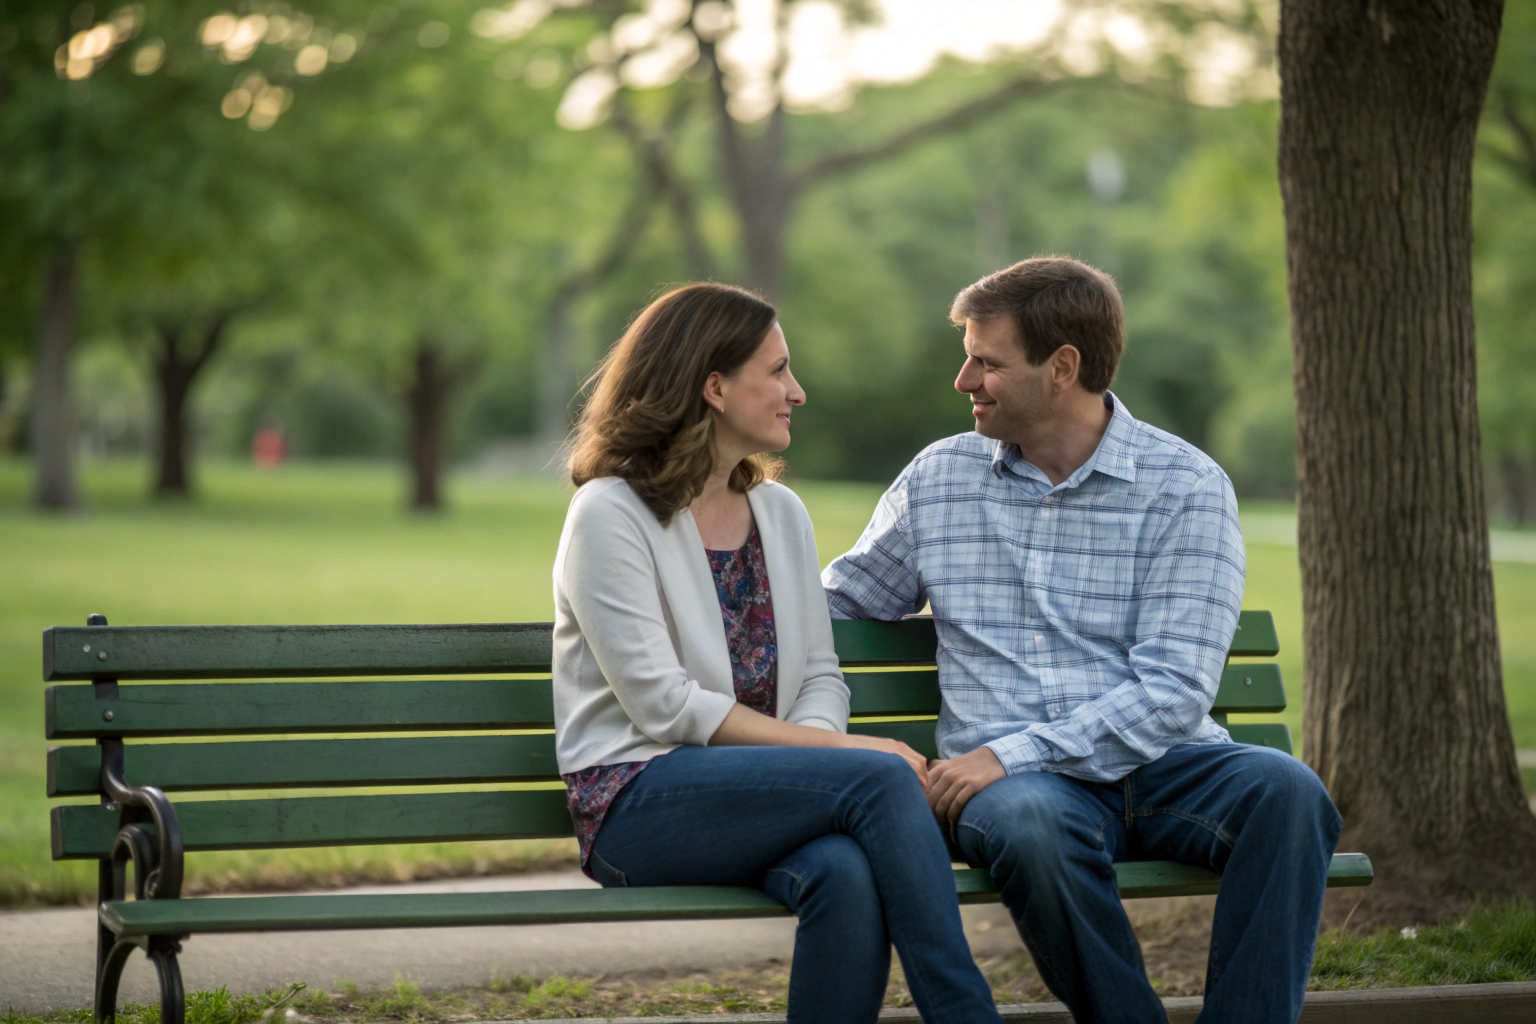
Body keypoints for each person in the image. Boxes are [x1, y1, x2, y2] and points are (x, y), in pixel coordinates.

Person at [823, 257, 1342, 1024]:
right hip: (1023, 796)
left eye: (987, 362)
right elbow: (836, 607)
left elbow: (1174, 692)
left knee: (1290, 794)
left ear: (1062, 367)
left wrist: (1009, 752)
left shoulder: (1185, 487)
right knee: (1033, 825)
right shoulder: (939, 480)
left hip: (1168, 767)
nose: (964, 379)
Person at [552, 282, 1005, 1024]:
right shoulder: (610, 513)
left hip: (760, 794)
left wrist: (821, 761)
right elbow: (664, 706)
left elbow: (820, 674)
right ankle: (965, 1013)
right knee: (880, 778)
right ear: (714, 386)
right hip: (636, 799)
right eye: (778, 371)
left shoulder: (779, 513)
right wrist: (838, 764)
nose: (797, 391)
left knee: (846, 872)